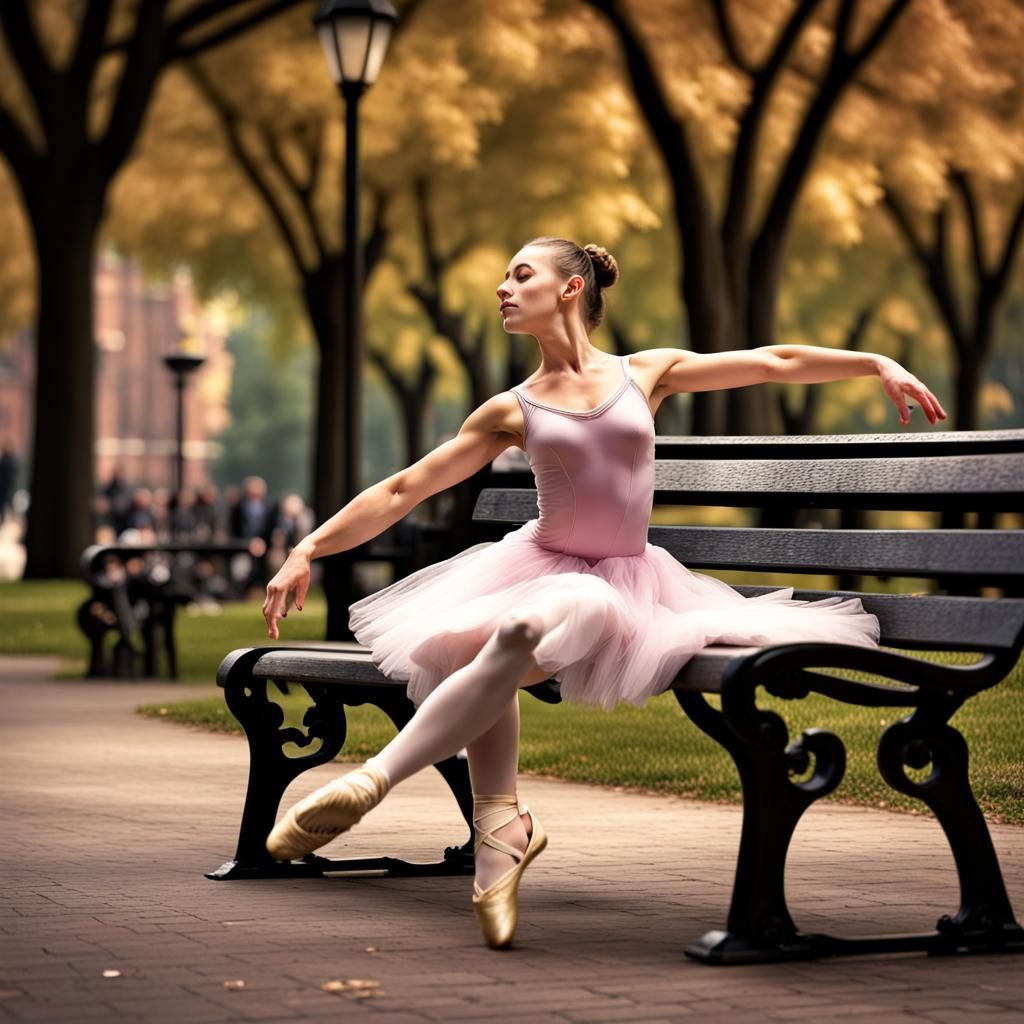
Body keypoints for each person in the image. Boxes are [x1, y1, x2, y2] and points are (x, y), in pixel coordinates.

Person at [260, 236, 947, 950]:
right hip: (539, 563)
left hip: (624, 581)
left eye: (520, 274)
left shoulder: (645, 373)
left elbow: (773, 361)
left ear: (570, 288)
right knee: (467, 642)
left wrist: (874, 362)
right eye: (503, 275)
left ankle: (377, 784)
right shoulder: (511, 408)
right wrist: (309, 546)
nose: (502, 287)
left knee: (533, 626)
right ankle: (498, 828)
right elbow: (405, 487)